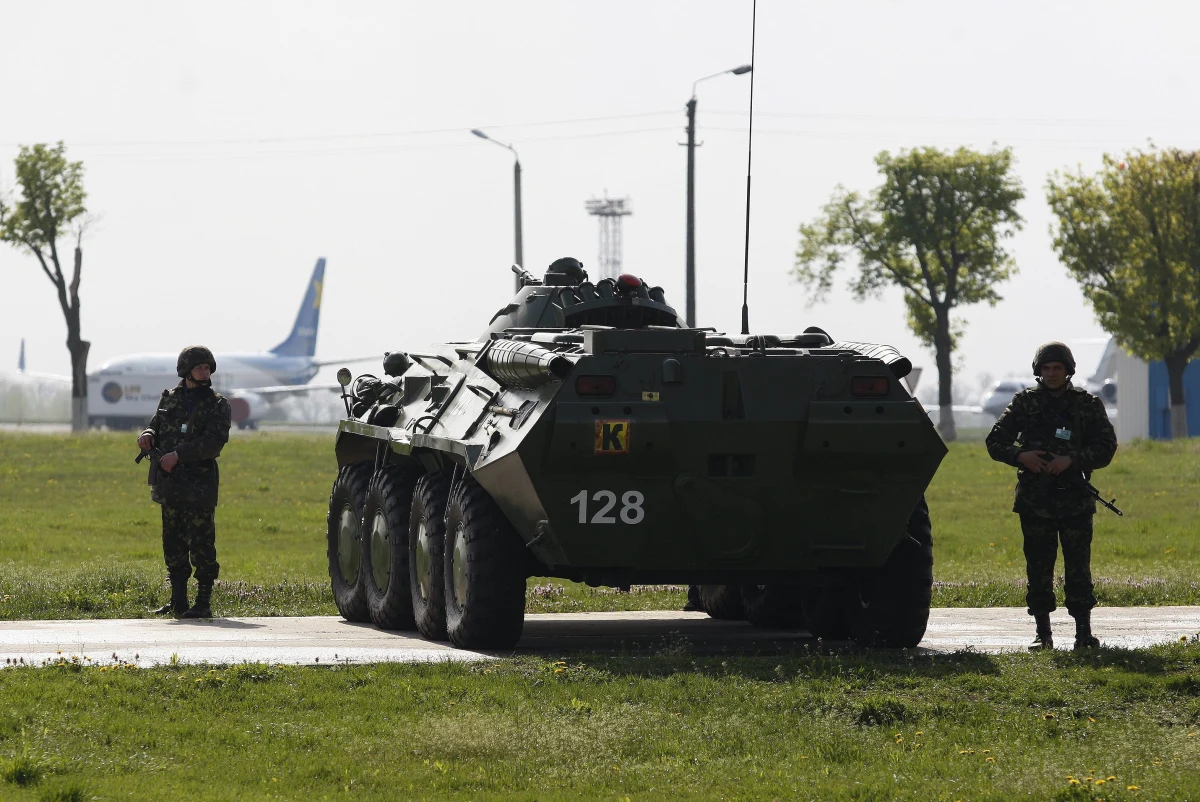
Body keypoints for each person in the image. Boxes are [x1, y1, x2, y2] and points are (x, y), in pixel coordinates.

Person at [985, 342, 1117, 650]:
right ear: (1038, 371)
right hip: (1035, 501)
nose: (1051, 374)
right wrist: (1022, 457)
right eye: (1046, 368)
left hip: (1074, 500)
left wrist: (1072, 461)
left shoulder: (1087, 404)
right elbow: (995, 441)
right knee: (1039, 568)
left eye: (1057, 368)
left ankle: (1083, 633)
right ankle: (1042, 634)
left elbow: (1106, 446)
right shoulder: (1024, 404)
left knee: (1078, 569)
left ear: (1068, 370)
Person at [137, 346, 232, 619]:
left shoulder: (217, 404)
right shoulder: (171, 398)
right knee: (173, 543)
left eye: (207, 367)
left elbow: (213, 443)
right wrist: (147, 434)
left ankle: (203, 602)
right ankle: (178, 601)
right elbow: (155, 424)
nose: (205, 372)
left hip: (198, 486)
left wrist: (178, 455)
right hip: (170, 486)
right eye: (200, 367)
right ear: (186, 370)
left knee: (202, 544)